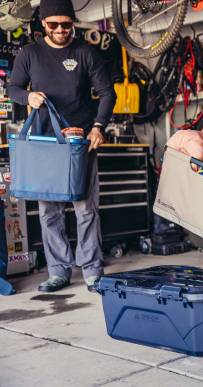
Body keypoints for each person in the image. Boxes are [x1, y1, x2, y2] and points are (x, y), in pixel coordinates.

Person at [8, 0, 116, 292]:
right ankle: (58, 271)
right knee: (49, 211)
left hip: (79, 144)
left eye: (66, 24)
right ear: (43, 23)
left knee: (86, 208)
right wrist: (26, 97)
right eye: (53, 24)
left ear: (73, 23)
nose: (60, 30)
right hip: (44, 145)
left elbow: (107, 93)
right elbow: (12, 88)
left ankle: (92, 270)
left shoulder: (85, 52)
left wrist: (99, 127)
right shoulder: (29, 54)